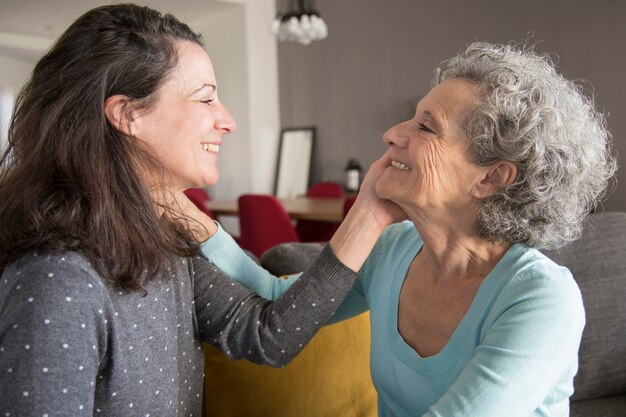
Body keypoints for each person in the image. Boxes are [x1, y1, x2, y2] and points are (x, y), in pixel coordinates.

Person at [0, 4, 404, 416]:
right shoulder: (58, 281)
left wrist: (369, 215)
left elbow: (269, 335)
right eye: (206, 99)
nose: (227, 120)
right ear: (127, 114)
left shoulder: (166, 238)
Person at [197, 42, 618, 416]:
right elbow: (278, 301)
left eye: (426, 127)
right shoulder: (393, 249)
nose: (392, 134)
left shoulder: (541, 298)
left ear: (491, 178)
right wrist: (184, 216)